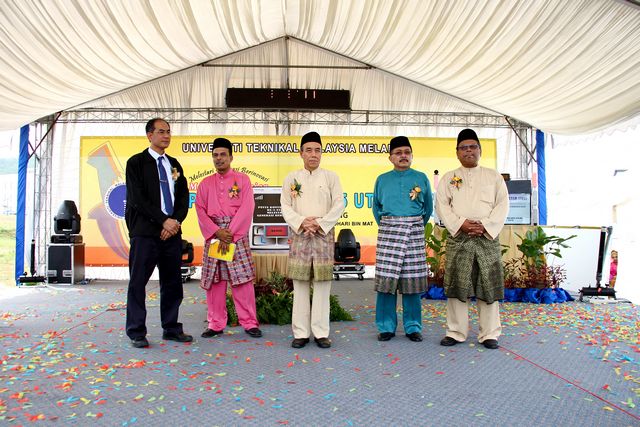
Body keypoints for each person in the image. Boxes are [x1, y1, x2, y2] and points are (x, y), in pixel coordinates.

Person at [436, 128, 508, 350]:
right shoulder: (449, 178)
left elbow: (503, 205)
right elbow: (442, 205)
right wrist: (461, 224)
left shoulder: (493, 176)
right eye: (464, 148)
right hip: (460, 237)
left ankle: (490, 334)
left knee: (488, 285)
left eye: (473, 147)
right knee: (458, 285)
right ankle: (455, 332)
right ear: (457, 152)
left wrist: (485, 226)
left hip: (487, 237)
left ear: (480, 150)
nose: (469, 151)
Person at [125, 118, 193, 348]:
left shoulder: (174, 165)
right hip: (145, 233)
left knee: (173, 282)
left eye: (169, 132)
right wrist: (163, 221)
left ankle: (171, 328)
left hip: (171, 234)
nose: (166, 136)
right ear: (149, 135)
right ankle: (136, 331)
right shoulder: (136, 163)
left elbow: (182, 197)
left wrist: (174, 222)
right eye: (161, 132)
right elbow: (137, 199)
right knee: (138, 283)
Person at [280, 131, 345, 349]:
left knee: (322, 284)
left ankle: (321, 332)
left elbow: (339, 204)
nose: (313, 154)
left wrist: (320, 223)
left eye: (317, 150)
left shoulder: (331, 177)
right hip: (300, 234)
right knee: (299, 284)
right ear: (301, 153)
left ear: (321, 153)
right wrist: (302, 222)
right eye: (309, 150)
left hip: (323, 235)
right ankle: (300, 333)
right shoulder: (291, 178)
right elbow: (285, 205)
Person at [195, 137, 262, 339]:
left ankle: (249, 323)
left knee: (242, 281)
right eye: (215, 155)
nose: (219, 158)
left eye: (223, 154)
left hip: (235, 236)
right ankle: (215, 324)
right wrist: (217, 232)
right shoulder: (205, 184)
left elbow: (247, 207)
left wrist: (230, 233)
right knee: (215, 281)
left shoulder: (243, 180)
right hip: (214, 236)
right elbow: (200, 210)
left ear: (231, 157)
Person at [372, 136, 433, 342]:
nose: (403, 156)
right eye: (398, 153)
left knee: (412, 282)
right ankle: (386, 326)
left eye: (407, 152)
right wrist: (391, 226)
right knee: (386, 282)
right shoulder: (382, 179)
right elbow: (376, 208)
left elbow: (428, 209)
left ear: (412, 156)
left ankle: (413, 326)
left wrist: (412, 225)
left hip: (414, 232)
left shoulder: (421, 177)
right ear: (390, 157)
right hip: (389, 233)